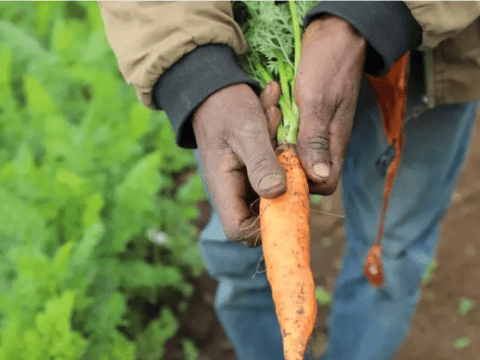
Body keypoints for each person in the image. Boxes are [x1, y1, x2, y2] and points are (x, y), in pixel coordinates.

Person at [98, 2, 480, 359]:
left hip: (425, 48)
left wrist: (371, 9)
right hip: (239, 66)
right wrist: (195, 69)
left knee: (390, 251)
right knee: (244, 253)